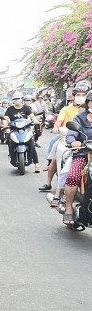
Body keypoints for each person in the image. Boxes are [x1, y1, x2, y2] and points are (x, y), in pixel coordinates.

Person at [41, 84, 89, 192]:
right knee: (55, 152)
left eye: (84, 95)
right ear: (74, 96)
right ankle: (48, 182)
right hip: (68, 135)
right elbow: (58, 122)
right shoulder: (66, 109)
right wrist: (56, 127)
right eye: (78, 95)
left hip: (87, 140)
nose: (81, 97)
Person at [61, 90, 92, 225]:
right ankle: (68, 207)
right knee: (73, 176)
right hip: (83, 153)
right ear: (88, 103)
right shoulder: (80, 118)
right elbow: (72, 133)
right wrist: (73, 141)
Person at [2, 91, 39, 172]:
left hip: (25, 129)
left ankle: (37, 164)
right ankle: (11, 155)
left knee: (32, 144)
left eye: (18, 98)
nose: (17, 100)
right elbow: (6, 118)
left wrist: (35, 120)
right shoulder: (10, 109)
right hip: (14, 130)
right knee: (9, 141)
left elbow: (32, 116)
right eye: (15, 99)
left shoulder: (26, 108)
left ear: (22, 99)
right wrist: (5, 124)